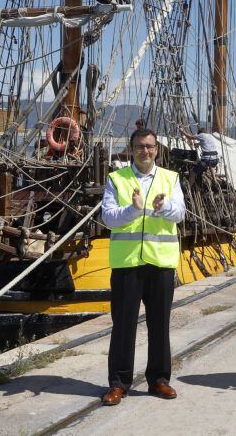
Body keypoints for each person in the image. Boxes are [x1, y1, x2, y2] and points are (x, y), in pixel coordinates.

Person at [100, 128, 186, 405]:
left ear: (157, 149)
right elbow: (109, 218)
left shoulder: (170, 179)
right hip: (127, 263)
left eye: (149, 146)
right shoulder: (117, 179)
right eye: (139, 147)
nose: (145, 151)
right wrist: (133, 210)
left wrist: (163, 207)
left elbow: (180, 213)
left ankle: (159, 380)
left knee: (159, 325)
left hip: (160, 261)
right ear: (131, 149)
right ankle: (119, 384)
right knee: (123, 326)